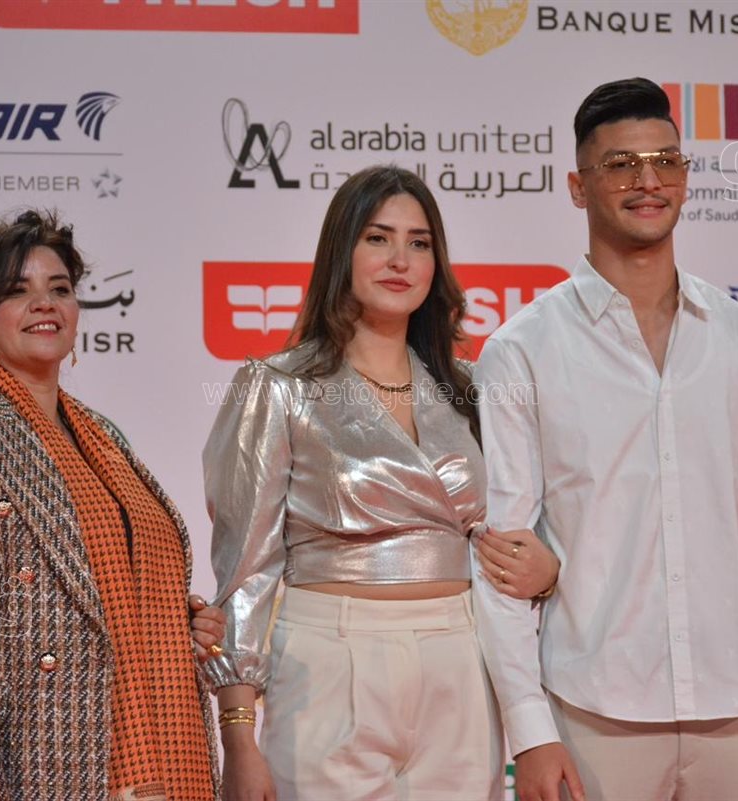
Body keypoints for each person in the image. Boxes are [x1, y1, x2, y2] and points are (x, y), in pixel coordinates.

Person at [472, 78, 738, 801]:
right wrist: (530, 730)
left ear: (685, 177)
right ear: (578, 187)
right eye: (621, 165)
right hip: (590, 713)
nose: (648, 181)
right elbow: (504, 558)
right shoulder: (523, 350)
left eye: (665, 160)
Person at [201, 165, 560, 801]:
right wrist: (238, 734)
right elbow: (245, 569)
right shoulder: (278, 386)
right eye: (378, 238)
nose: (400, 260)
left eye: (419, 243)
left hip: (462, 658)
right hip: (327, 663)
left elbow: (520, 527)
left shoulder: (471, 389)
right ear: (342, 250)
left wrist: (549, 572)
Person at [0, 210, 223, 801]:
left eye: (59, 289)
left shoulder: (103, 438)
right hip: (39, 772)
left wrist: (176, 621)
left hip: (173, 752)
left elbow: (97, 602)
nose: (45, 304)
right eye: (18, 290)